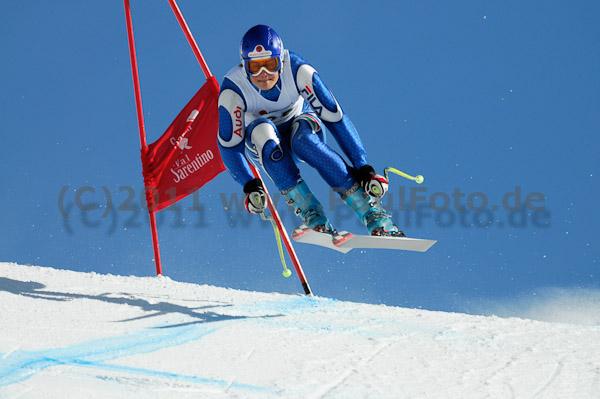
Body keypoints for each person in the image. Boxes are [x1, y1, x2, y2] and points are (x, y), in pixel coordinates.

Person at [217, 24, 404, 237]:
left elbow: (335, 118)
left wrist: (363, 167)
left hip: (301, 128)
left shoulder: (298, 70)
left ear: (281, 61)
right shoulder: (233, 90)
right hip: (264, 147)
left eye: (270, 64)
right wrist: (250, 184)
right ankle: (312, 214)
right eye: (255, 67)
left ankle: (371, 213)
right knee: (263, 130)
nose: (264, 74)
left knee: (305, 142)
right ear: (244, 66)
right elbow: (230, 145)